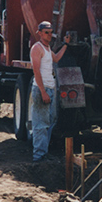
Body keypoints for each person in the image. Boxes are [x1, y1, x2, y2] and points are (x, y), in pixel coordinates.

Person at [30, 21, 70, 162]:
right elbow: (36, 71)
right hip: (42, 90)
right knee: (41, 124)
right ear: (39, 33)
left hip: (50, 89)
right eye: (46, 32)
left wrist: (65, 44)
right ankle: (39, 156)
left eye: (50, 32)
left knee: (50, 120)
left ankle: (43, 152)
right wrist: (43, 92)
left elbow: (57, 58)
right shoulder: (37, 48)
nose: (49, 35)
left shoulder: (47, 49)